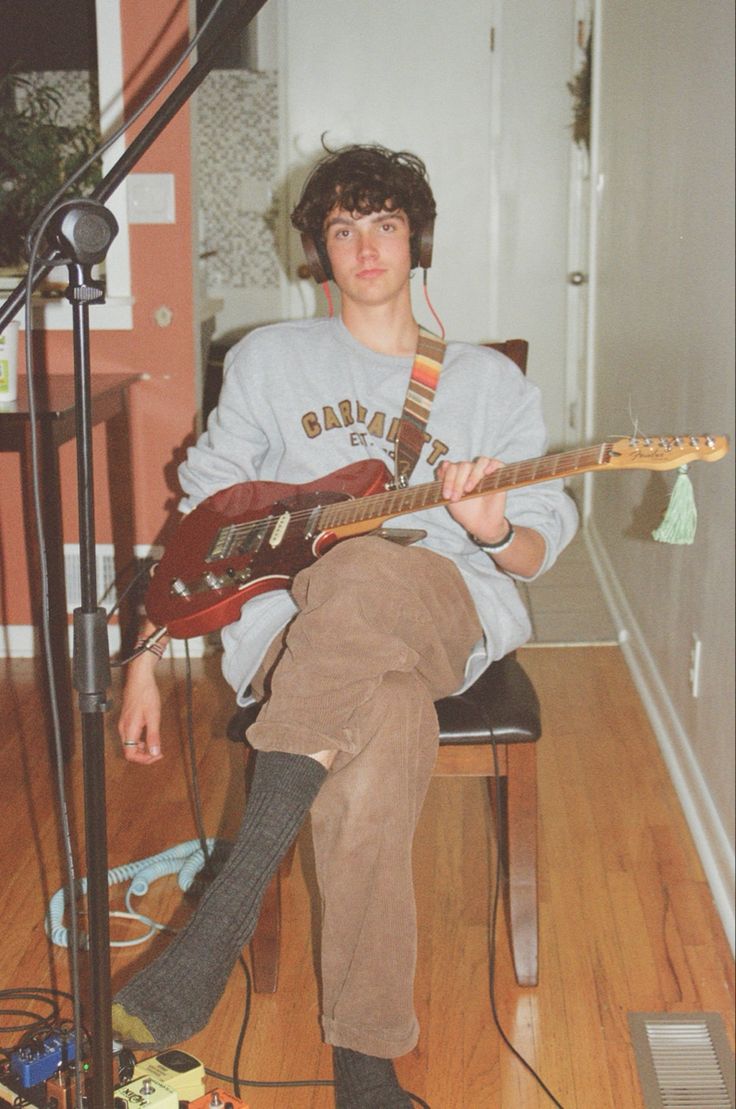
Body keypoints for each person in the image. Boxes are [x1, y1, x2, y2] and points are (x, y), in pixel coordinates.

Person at [112, 143, 578, 1106]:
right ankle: (366, 1065)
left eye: (386, 224)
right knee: (390, 717)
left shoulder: (490, 382)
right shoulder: (268, 360)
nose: (366, 245)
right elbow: (204, 518)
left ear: (418, 242)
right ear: (320, 252)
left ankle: (222, 914)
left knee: (367, 569)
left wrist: (491, 526)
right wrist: (145, 655)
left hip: (445, 606)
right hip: (294, 629)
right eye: (343, 227)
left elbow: (538, 547)